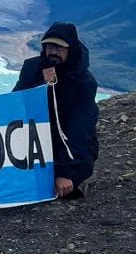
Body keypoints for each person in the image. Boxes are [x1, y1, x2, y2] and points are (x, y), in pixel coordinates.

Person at [13, 22, 99, 198]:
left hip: (66, 142)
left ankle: (78, 178)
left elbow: (79, 131)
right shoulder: (32, 69)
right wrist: (41, 83)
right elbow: (15, 104)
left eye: (59, 48)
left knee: (62, 185)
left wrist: (66, 172)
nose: (53, 52)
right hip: (34, 138)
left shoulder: (84, 83)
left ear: (71, 49)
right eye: (49, 46)